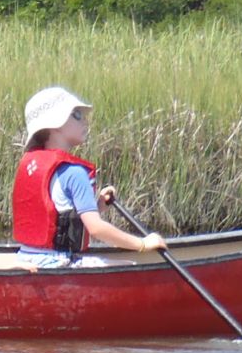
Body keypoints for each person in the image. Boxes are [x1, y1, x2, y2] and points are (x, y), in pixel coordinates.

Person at [12, 86, 166, 268]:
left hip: (26, 257)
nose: (85, 121)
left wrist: (98, 205)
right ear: (56, 124)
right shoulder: (74, 173)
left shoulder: (33, 164)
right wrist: (142, 244)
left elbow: (64, 217)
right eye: (76, 115)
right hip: (56, 262)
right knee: (130, 264)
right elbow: (96, 228)